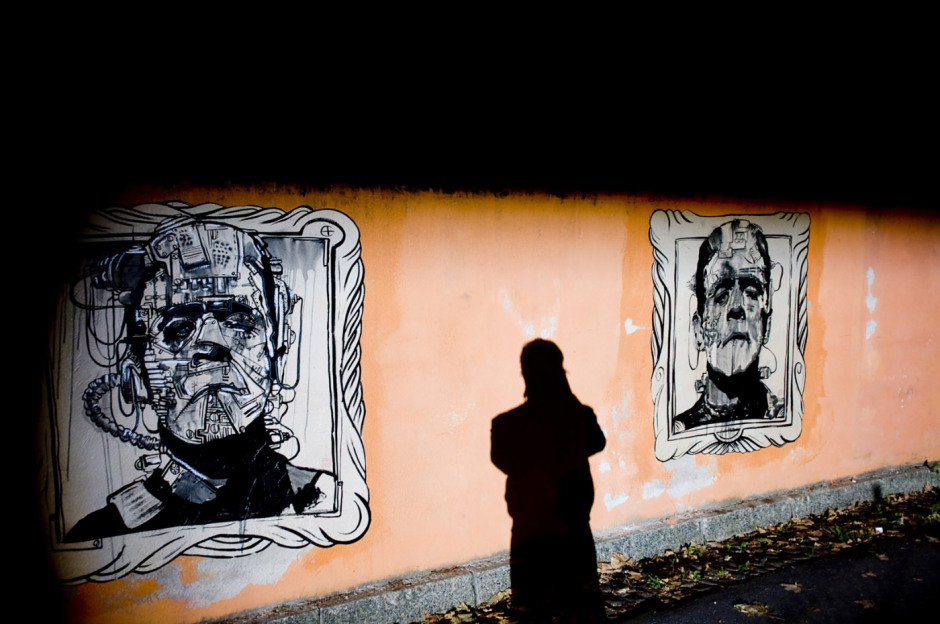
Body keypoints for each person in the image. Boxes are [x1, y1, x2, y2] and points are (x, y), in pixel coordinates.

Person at [67, 218, 329, 541]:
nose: (212, 343)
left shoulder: (323, 501)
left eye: (239, 321)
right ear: (138, 380)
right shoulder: (104, 535)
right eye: (178, 328)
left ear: (278, 359)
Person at [491, 339, 606, 620]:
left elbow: (503, 460)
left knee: (534, 610)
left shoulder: (506, 425)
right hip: (571, 532)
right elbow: (596, 441)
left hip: (530, 535)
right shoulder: (577, 417)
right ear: (560, 371)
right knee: (580, 609)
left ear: (524, 373)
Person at [674, 219, 783, 433]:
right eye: (721, 295)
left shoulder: (779, 416)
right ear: (698, 330)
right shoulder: (683, 428)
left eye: (751, 293)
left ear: (766, 324)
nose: (736, 307)